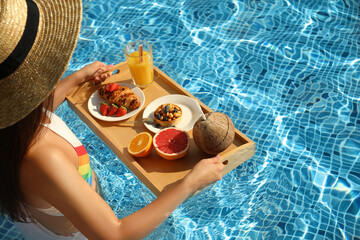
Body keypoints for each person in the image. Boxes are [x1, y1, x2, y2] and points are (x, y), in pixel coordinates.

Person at [0, 0, 224, 239]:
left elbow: (34, 115)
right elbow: (114, 235)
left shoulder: (12, 127)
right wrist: (188, 185)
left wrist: (75, 80)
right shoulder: (44, 158)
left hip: (43, 216)